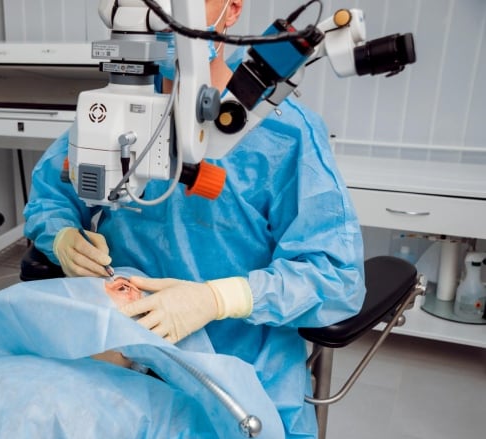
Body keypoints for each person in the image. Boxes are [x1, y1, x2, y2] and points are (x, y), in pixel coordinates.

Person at [23, 0, 366, 437]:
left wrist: (217, 299)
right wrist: (62, 237)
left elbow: (334, 275)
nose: (163, 10)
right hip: (122, 355)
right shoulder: (112, 110)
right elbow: (55, 194)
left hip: (237, 374)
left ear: (232, 10)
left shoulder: (283, 135)